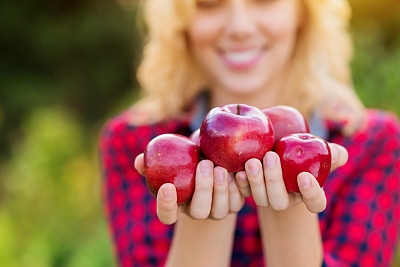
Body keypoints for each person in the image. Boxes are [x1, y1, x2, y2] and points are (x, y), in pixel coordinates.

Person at [99, 0, 400, 266]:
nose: (239, 27)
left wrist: (290, 209)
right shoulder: (136, 142)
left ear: (303, 12)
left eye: (264, 0)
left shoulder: (373, 142)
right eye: (209, 4)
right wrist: (201, 221)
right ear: (181, 23)